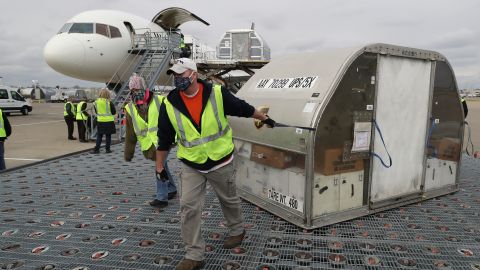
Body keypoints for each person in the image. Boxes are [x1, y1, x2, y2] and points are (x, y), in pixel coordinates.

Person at [155, 58, 275, 270]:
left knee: (228, 199)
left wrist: (263, 118)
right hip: (192, 163)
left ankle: (237, 231)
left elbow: (243, 109)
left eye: (181, 75)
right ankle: (194, 254)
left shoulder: (217, 94)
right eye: (175, 75)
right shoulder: (169, 103)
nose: (177, 80)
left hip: (221, 160)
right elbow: (164, 138)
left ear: (193, 74)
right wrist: (159, 166)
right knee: (188, 207)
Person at [124, 73, 177, 207]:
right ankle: (171, 188)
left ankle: (161, 197)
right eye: (132, 90)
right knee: (163, 165)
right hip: (149, 144)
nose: (135, 93)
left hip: (164, 141)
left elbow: (174, 119)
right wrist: (128, 153)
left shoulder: (160, 100)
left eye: (137, 89)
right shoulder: (130, 108)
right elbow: (130, 134)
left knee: (159, 167)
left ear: (144, 88)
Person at [91, 89, 116, 154]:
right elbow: (114, 112)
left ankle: (97, 149)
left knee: (99, 136)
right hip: (109, 121)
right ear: (108, 94)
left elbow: (96, 112)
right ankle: (107, 149)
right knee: (108, 136)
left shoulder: (96, 102)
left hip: (100, 121)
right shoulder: (109, 102)